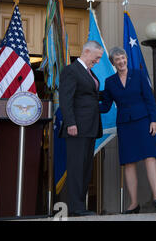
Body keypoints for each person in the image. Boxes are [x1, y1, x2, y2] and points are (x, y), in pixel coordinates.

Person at [99, 47, 156, 214]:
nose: (121, 61)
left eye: (123, 58)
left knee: (149, 156)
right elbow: (105, 106)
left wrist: (154, 120)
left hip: (143, 121)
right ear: (113, 62)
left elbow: (150, 99)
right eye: (117, 59)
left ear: (126, 58)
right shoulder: (110, 82)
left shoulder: (139, 75)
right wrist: (88, 100)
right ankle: (134, 203)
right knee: (129, 162)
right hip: (125, 125)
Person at [59, 40, 104, 216]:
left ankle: (80, 206)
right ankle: (76, 207)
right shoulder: (71, 70)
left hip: (90, 127)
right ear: (86, 51)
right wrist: (71, 123)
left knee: (85, 168)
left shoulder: (89, 72)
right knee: (77, 167)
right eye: (97, 57)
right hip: (76, 127)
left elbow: (92, 96)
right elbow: (66, 99)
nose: (98, 61)